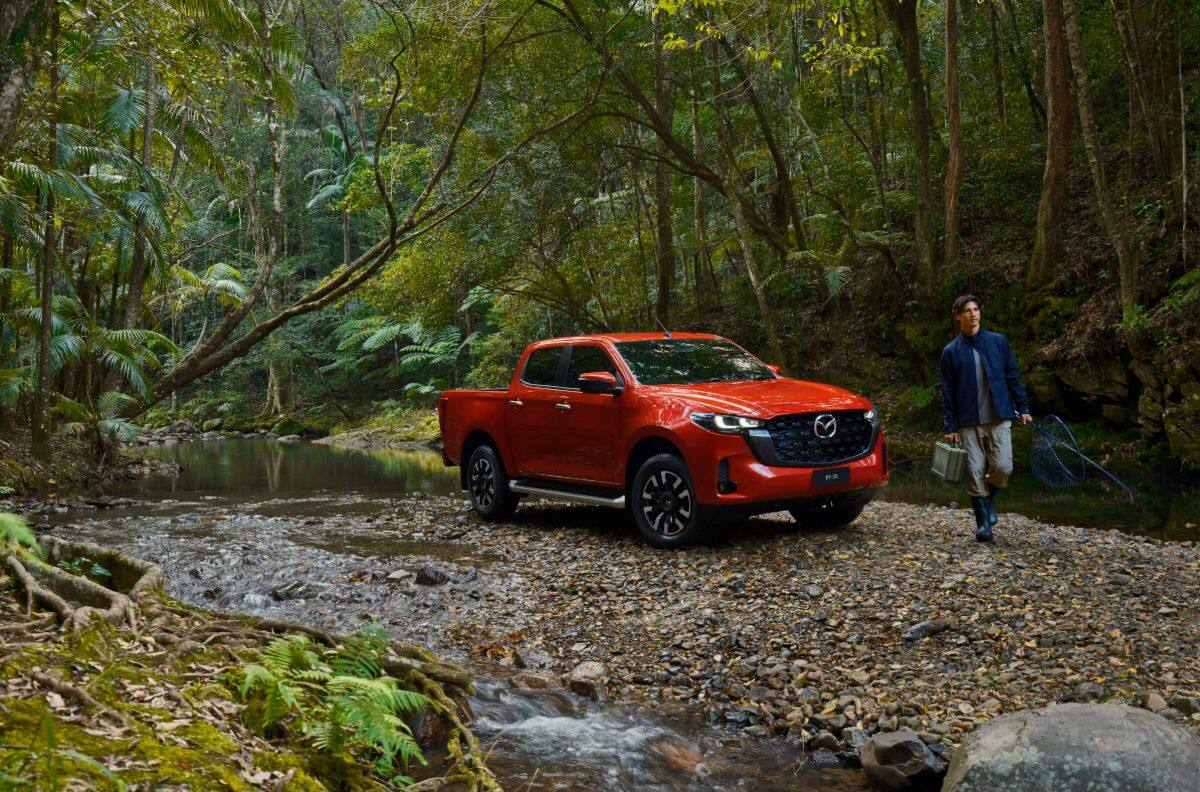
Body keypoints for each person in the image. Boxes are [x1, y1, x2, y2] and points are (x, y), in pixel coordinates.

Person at [939, 295, 1033, 542]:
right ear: (958, 316)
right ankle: (983, 524)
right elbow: (947, 391)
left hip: (999, 416)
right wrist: (950, 425)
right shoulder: (950, 352)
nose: (973, 314)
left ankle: (988, 501)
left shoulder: (997, 342)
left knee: (1003, 467)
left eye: (976, 309)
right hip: (968, 421)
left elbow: (1012, 375)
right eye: (967, 310)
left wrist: (1022, 407)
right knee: (974, 470)